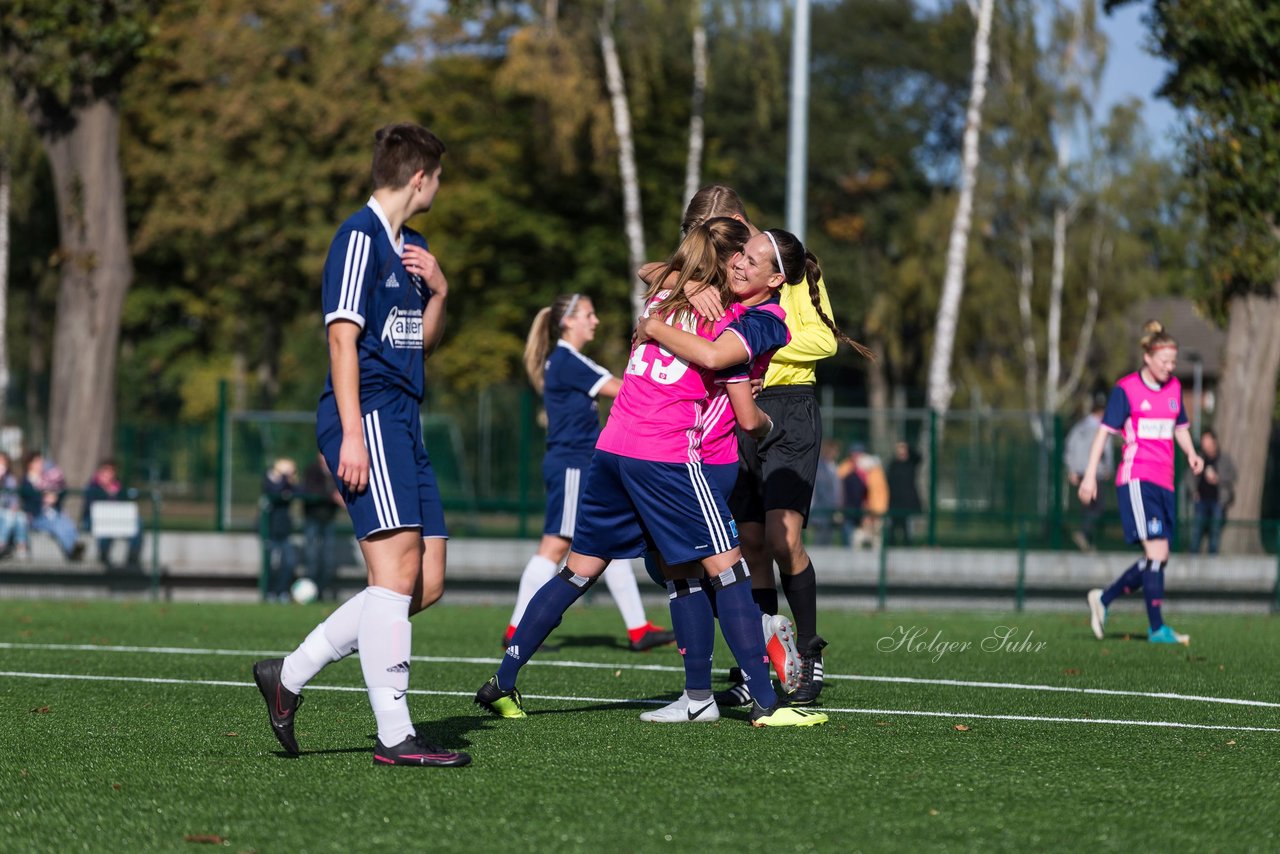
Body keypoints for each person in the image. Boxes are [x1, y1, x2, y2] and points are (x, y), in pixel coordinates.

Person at [474, 219, 826, 728]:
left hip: (613, 448)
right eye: (738, 255)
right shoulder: (728, 316)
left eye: (751, 258)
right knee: (726, 571)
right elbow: (730, 387)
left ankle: (503, 681)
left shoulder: (670, 294)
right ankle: (765, 703)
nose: (740, 263)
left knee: (585, 570)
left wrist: (660, 313)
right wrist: (770, 424)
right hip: (671, 454)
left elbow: (654, 274)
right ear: (723, 261)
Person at [252, 122, 469, 767]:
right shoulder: (357, 238)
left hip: (405, 418)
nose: (439, 187)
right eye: (439, 176)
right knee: (395, 575)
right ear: (419, 177)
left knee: (424, 584)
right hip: (368, 414)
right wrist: (350, 432)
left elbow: (420, 342)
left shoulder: (416, 248)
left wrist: (442, 291)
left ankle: (288, 677)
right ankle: (395, 734)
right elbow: (341, 340)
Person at [656, 185, 872, 709]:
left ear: (733, 219)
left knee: (782, 538)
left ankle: (811, 650)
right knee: (747, 541)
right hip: (737, 406)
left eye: (707, 233)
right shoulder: (727, 267)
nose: (709, 248)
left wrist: (756, 341)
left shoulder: (782, 262)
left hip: (789, 406)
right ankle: (756, 662)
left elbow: (823, 339)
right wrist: (686, 284)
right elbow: (655, 273)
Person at [501, 292, 675, 653]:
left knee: (606, 538)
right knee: (555, 545)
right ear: (568, 322)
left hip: (577, 463)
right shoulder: (568, 360)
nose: (594, 321)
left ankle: (639, 628)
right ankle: (517, 627)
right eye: (588, 314)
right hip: (572, 464)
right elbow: (625, 388)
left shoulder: (566, 360)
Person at [1079, 320, 1203, 645]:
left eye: (1173, 362)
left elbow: (1180, 427)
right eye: (1165, 362)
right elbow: (1104, 433)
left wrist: (1191, 452)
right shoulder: (1126, 390)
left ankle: (1103, 600)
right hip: (1137, 478)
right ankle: (1156, 628)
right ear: (1147, 357)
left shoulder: (1175, 388)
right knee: (1157, 551)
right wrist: (1090, 475)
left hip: (1165, 482)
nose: (1170, 368)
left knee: (1158, 558)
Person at [1064, 393, 1113, 551]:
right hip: (1095, 473)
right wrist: (1108, 467)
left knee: (1087, 507)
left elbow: (1069, 447)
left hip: (1080, 471)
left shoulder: (1079, 427)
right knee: (1097, 507)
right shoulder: (1103, 428)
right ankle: (1085, 534)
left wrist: (1071, 469)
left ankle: (1087, 540)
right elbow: (1106, 449)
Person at [19, 452, 83, 561]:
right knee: (56, 526)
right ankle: (71, 550)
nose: (41, 464)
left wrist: (55, 497)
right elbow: (29, 501)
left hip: (52, 513)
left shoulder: (47, 477)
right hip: (37, 516)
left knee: (67, 523)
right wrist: (43, 498)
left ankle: (75, 546)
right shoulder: (26, 481)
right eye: (37, 461)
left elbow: (61, 490)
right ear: (30, 464)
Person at [82, 458, 143, 570]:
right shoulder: (92, 487)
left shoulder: (118, 487)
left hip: (117, 518)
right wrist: (107, 494)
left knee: (137, 521)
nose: (108, 474)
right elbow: (92, 507)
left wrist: (115, 494)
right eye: (105, 471)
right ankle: (103, 554)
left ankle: (133, 555)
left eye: (111, 472)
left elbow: (125, 504)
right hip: (97, 520)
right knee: (106, 524)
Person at [300, 453, 343, 600]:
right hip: (312, 519)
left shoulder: (336, 470)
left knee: (328, 557)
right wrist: (332, 496)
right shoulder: (312, 470)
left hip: (328, 520)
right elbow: (310, 489)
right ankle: (312, 590)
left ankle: (323, 592)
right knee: (312, 555)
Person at [1189, 429, 1235, 555]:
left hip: (1217, 500)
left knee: (1215, 530)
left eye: (1207, 441)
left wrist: (1218, 478)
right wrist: (1193, 491)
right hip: (1201, 500)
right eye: (1204, 441)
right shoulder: (1200, 458)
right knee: (1197, 529)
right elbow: (1190, 476)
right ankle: (1192, 557)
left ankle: (1212, 558)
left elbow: (1232, 475)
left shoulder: (1223, 458)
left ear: (1214, 441)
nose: (1205, 444)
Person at [261, 457, 298, 602]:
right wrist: (284, 477)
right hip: (270, 530)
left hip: (284, 531)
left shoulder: (289, 485)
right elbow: (274, 490)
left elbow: (300, 489)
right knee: (271, 564)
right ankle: (270, 592)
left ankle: (282, 591)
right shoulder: (269, 480)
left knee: (289, 562)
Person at [886, 440, 922, 546]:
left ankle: (908, 548)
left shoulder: (911, 463)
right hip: (894, 502)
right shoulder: (893, 464)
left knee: (907, 530)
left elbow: (919, 457)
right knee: (892, 530)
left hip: (907, 502)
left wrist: (908, 448)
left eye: (903, 448)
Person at [808, 440, 842, 546]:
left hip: (832, 512)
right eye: (834, 450)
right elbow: (819, 491)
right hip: (821, 512)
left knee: (829, 543)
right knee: (820, 544)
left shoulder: (834, 467)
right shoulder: (820, 468)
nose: (836, 453)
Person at [0, 452, 31, 559]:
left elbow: (14, 502)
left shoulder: (10, 480)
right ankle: (2, 544)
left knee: (21, 517)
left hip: (8, 512)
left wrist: (13, 509)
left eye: (3, 463)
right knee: (8, 516)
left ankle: (21, 547)